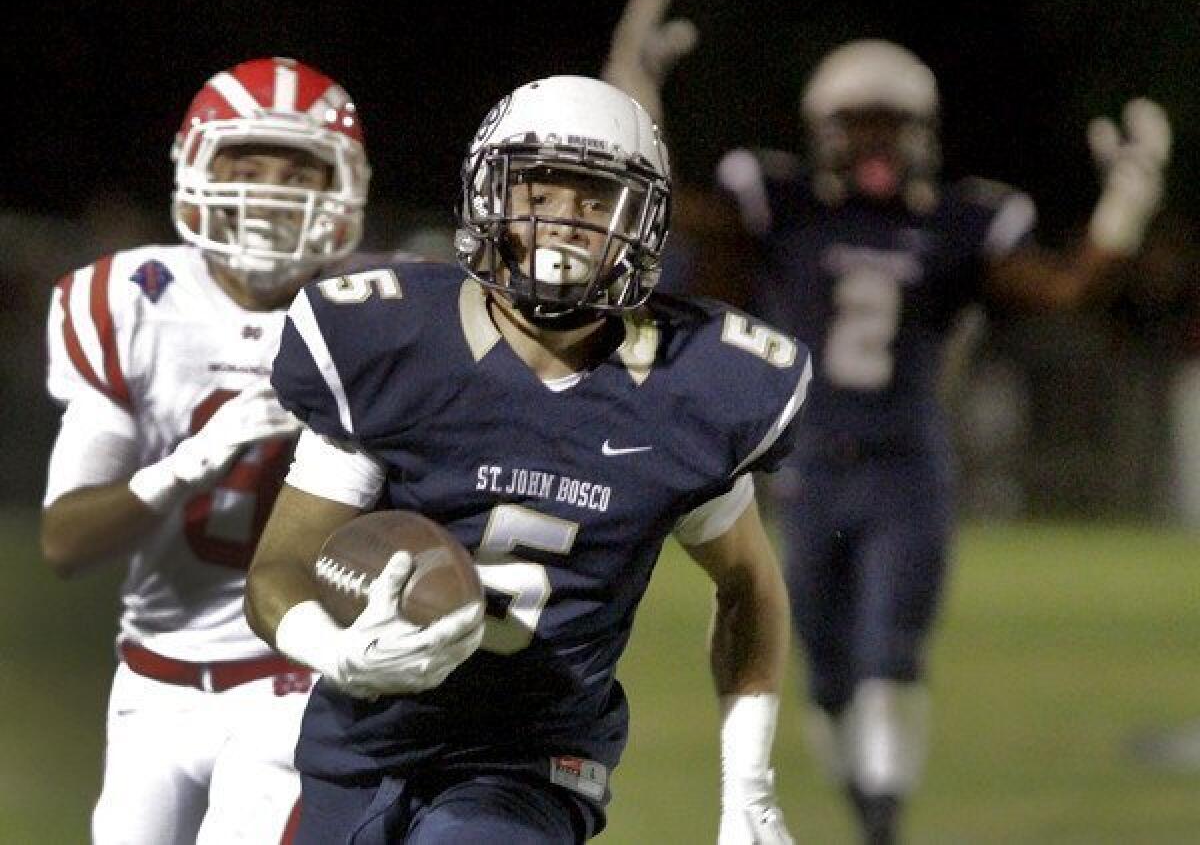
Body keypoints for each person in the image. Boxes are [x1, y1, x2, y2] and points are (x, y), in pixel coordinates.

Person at [244, 74, 807, 844]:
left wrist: (749, 787)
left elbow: (748, 582)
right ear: (489, 196)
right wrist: (336, 651)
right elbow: (279, 569)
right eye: (539, 196)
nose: (564, 224)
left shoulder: (689, 386)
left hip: (531, 768)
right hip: (357, 750)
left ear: (642, 220)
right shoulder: (392, 345)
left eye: (593, 201)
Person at [697, 41, 1170, 844]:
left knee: (890, 653)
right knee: (826, 673)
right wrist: (626, 97)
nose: (877, 143)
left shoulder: (956, 222)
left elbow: (1064, 290)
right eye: (860, 124)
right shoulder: (784, 206)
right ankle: (867, 805)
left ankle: (882, 823)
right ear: (823, 130)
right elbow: (681, 226)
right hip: (808, 467)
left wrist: (1125, 201)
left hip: (905, 466)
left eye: (894, 124)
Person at [40, 56, 371, 844]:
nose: (265, 191)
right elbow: (65, 539)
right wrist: (190, 461)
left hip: (295, 678)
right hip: (151, 685)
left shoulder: (378, 317)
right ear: (193, 167)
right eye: (244, 164)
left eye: (295, 171)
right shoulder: (131, 301)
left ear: (341, 186)